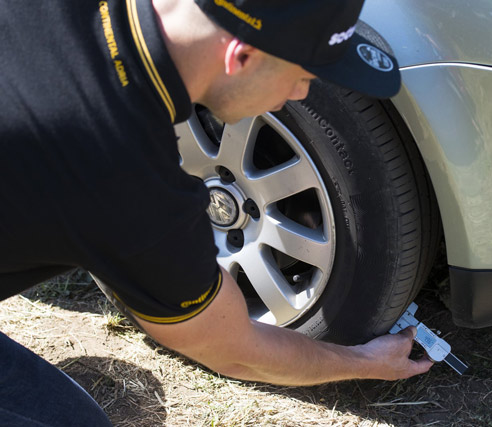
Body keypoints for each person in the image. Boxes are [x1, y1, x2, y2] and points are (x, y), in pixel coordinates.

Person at [0, 0, 433, 424]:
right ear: (240, 55)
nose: (298, 96)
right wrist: (364, 361)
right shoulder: (124, 179)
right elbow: (235, 350)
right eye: (301, 77)